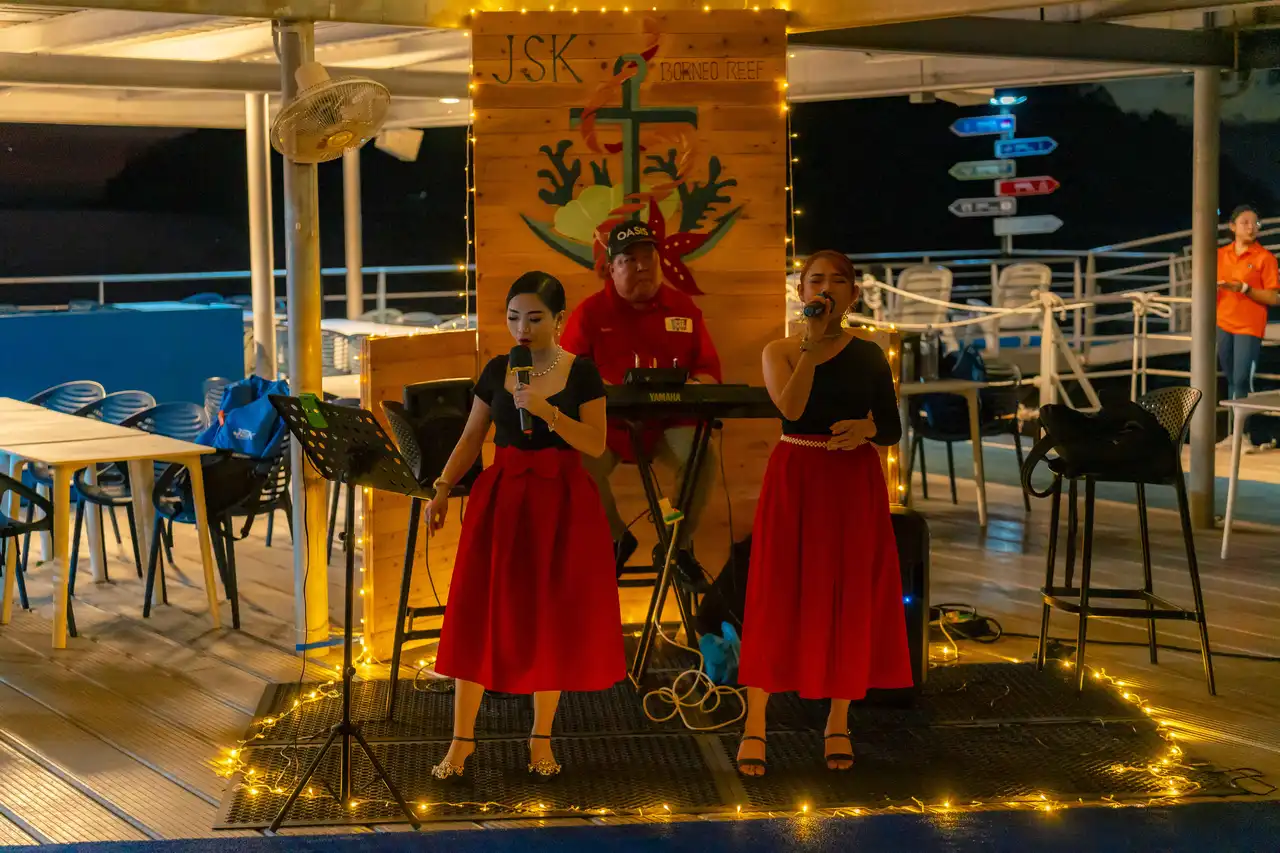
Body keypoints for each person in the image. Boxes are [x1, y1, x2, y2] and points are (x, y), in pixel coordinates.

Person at [425, 271, 624, 780]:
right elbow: (472, 436)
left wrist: (547, 413)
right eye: (514, 318)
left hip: (562, 501)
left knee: (549, 617)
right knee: (481, 611)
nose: (522, 329)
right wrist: (443, 487)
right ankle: (461, 742)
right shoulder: (497, 369)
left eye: (535, 319)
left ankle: (540, 741)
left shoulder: (582, 373)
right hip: (504, 497)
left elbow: (597, 443)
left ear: (559, 320)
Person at [735, 249, 912, 777]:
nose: (827, 289)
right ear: (801, 291)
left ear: (854, 294)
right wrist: (810, 347)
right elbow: (790, 409)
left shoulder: (871, 353)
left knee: (847, 593)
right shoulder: (780, 350)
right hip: (797, 474)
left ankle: (838, 722)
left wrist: (868, 431)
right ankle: (754, 725)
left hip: (853, 481)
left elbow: (892, 426)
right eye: (816, 280)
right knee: (778, 590)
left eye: (839, 281)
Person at [561, 220, 723, 570]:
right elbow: (564, 373)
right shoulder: (589, 314)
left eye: (649, 258)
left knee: (700, 460)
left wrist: (697, 385)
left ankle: (673, 544)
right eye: (629, 261)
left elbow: (709, 368)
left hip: (669, 423)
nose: (641, 267)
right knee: (570, 462)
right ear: (610, 269)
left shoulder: (683, 309)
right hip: (609, 427)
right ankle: (616, 537)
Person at [1216, 204, 1279, 450]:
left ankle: (1245, 436)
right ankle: (1234, 435)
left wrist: (1245, 289)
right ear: (1232, 227)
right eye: (1245, 222)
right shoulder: (1220, 255)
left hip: (1249, 326)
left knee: (1243, 379)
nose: (1251, 227)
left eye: (1255, 223)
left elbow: (1274, 298)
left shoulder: (1265, 258)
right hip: (1223, 322)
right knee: (1231, 378)